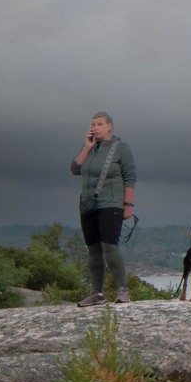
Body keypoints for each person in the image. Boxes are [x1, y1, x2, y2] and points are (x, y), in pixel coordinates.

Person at [70, 111, 137, 306]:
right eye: (92, 124)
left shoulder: (121, 148)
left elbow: (130, 176)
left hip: (111, 203)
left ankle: (122, 290)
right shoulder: (89, 148)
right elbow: (74, 169)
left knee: (109, 246)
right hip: (88, 204)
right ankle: (96, 293)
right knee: (93, 249)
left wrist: (128, 205)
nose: (95, 128)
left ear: (110, 127)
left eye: (99, 124)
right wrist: (87, 147)